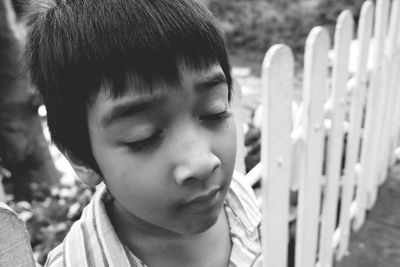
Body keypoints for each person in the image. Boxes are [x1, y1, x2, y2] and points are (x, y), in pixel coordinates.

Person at [25, 0, 262, 266]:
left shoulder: (239, 200)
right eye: (143, 136)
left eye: (214, 112)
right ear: (81, 158)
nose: (202, 163)